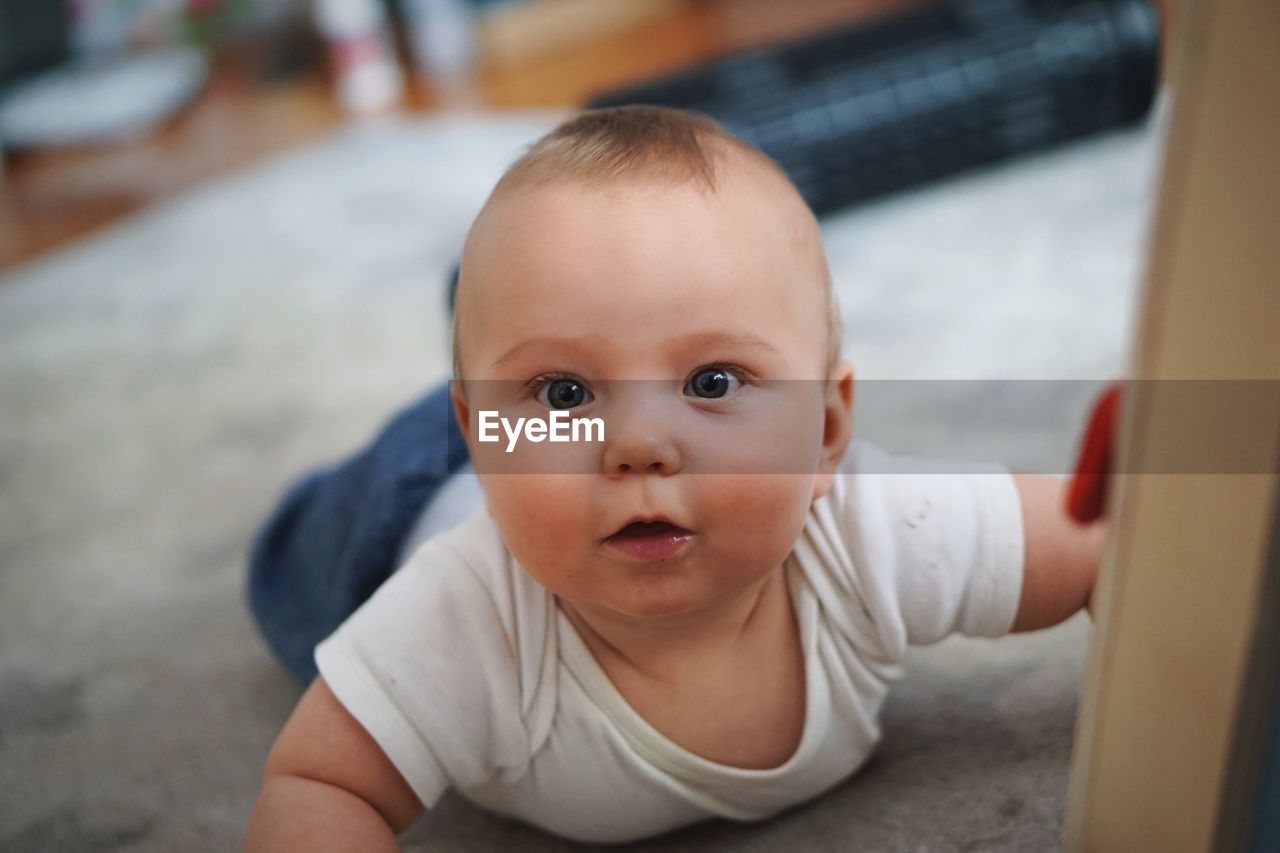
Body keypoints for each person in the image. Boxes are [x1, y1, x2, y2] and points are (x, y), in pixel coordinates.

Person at [244, 105, 1102, 849]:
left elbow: (1103, 540)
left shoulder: (872, 531)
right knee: (297, 563)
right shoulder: (462, 619)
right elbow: (321, 783)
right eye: (570, 391)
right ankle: (504, 341)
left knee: (547, 320)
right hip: (409, 499)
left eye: (713, 381)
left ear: (828, 431)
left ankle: (531, 334)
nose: (639, 446)